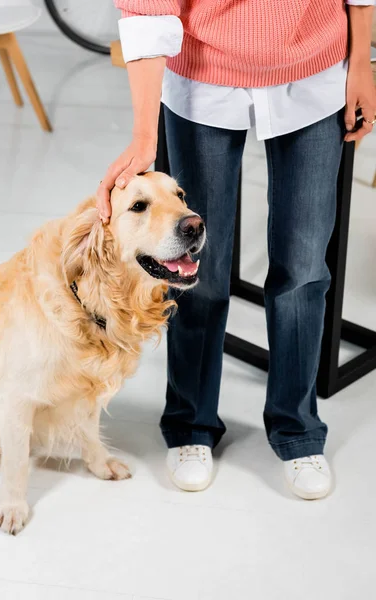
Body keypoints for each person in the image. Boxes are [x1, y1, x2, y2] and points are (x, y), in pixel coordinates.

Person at [97, 1, 376, 498]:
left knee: (305, 270)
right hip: (204, 73)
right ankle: (190, 423)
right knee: (193, 270)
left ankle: (297, 427)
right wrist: (144, 133)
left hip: (315, 70)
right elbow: (147, 8)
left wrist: (360, 66)